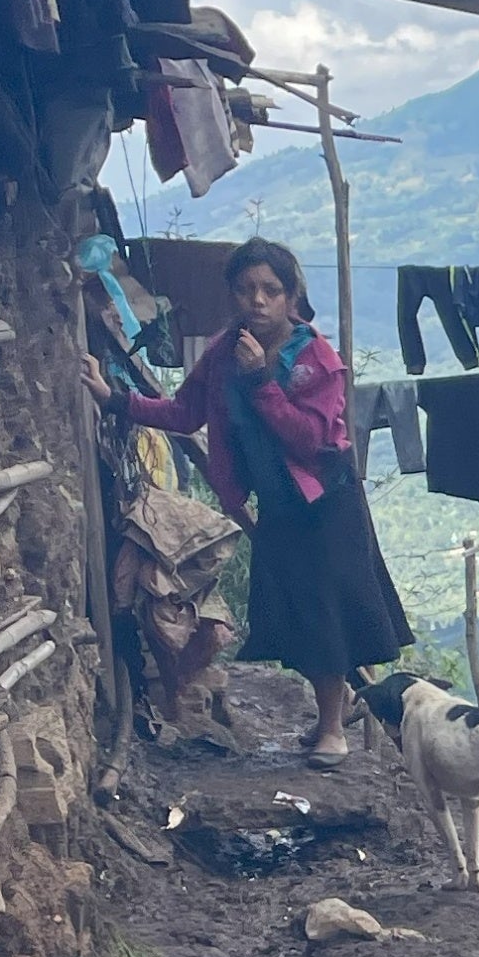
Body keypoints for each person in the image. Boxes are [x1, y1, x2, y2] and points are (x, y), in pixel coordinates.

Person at [86, 237, 410, 765]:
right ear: (232, 295)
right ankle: (329, 712)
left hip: (326, 505)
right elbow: (185, 412)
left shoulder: (314, 359)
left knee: (325, 612)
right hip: (277, 507)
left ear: (291, 296)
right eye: (245, 289)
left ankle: (333, 729)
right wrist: (116, 400)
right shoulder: (223, 353)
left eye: (270, 290)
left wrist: (261, 380)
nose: (258, 301)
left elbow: (310, 439)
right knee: (296, 611)